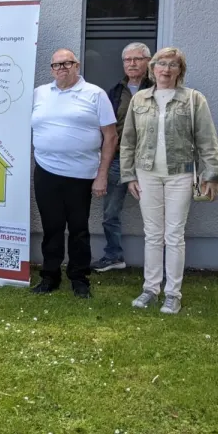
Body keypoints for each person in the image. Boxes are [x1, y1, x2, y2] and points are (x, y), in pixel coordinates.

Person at [120, 47, 218, 314]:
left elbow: (207, 140)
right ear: (152, 68)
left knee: (174, 235)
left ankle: (172, 293)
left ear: (180, 70)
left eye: (173, 65)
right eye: (161, 64)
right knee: (152, 235)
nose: (166, 69)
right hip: (147, 174)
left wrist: (210, 174)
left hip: (180, 174)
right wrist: (129, 175)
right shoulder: (140, 99)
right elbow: (128, 141)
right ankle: (150, 289)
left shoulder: (193, 99)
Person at [30, 48, 117, 299]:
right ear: (51, 69)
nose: (61, 69)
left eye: (67, 64)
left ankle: (79, 278)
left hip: (81, 173)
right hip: (46, 170)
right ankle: (50, 276)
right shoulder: (40, 93)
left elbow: (110, 137)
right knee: (51, 227)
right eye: (56, 65)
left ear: (77, 66)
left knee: (79, 229)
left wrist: (101, 175)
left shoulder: (94, 94)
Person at [92, 43, 154, 272]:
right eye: (127, 60)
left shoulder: (160, 89)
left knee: (157, 213)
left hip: (151, 162)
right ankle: (114, 256)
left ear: (149, 61)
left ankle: (159, 261)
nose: (132, 63)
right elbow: (106, 128)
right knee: (110, 213)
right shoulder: (116, 91)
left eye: (137, 59)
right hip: (119, 160)